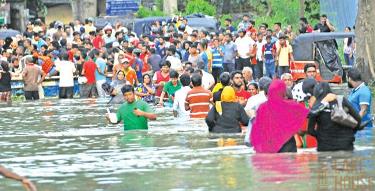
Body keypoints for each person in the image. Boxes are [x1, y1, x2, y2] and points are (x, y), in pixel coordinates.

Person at [250, 80, 309, 153]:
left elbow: (258, 129)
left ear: (266, 94)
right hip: (288, 147)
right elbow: (301, 130)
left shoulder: (262, 108)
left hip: (270, 148)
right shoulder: (291, 106)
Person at [308, 82, 362, 151]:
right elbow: (358, 119)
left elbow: (310, 131)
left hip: (325, 148)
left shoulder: (316, 107)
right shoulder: (342, 100)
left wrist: (322, 137)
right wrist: (350, 134)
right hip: (346, 146)